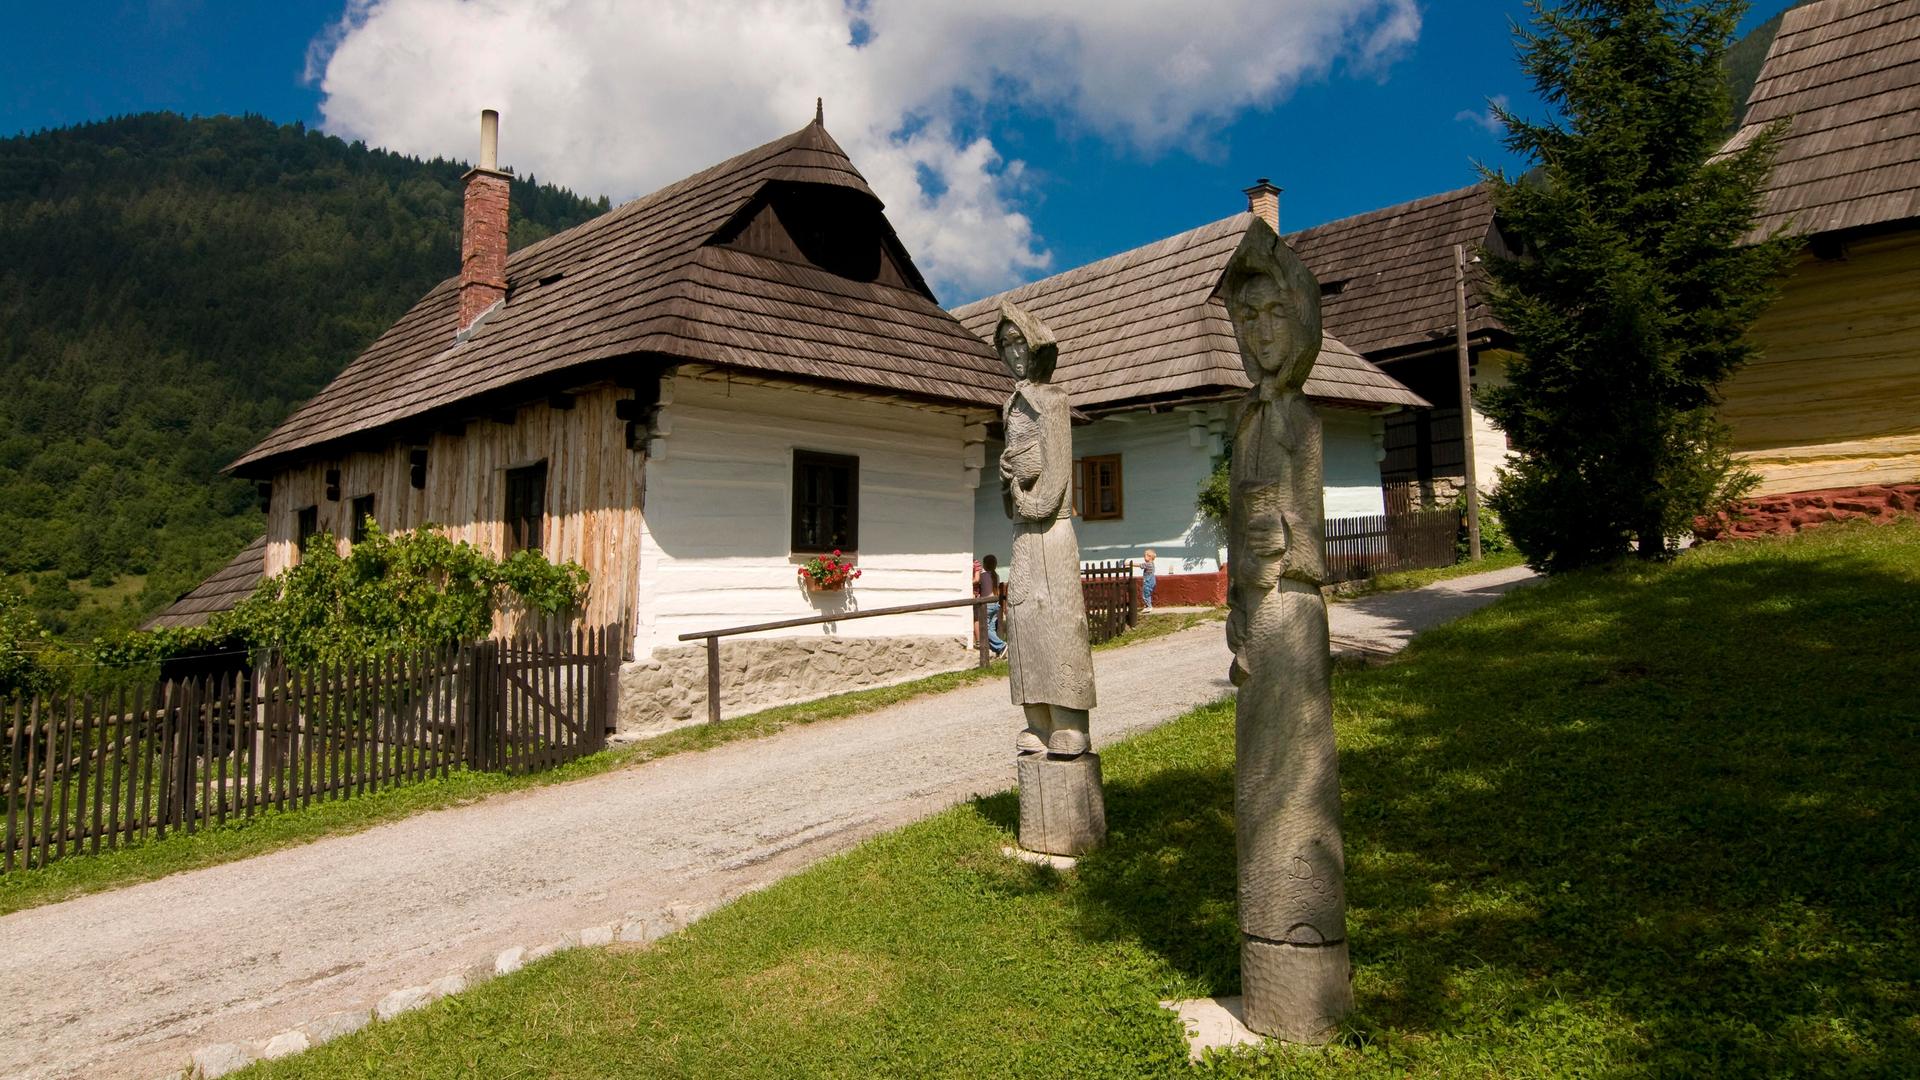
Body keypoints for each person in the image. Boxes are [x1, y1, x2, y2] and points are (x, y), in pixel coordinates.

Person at [996, 302, 1096, 757]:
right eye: (1006, 345)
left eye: (1020, 343)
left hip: (1052, 530)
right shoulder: (1009, 406)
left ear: (1036, 348)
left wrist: (1032, 499)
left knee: (1059, 621)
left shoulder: (1053, 401)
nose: (1014, 354)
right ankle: (1036, 720)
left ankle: (1069, 721)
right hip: (1023, 533)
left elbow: (1056, 470)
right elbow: (1013, 473)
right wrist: (1007, 478)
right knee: (1024, 624)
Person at [977, 554, 1006, 656]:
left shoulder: (983, 576)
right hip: (995, 604)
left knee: (984, 628)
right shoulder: (996, 576)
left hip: (987, 605)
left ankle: (1001, 645)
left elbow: (978, 583)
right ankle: (997, 650)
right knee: (991, 628)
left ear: (985, 564)